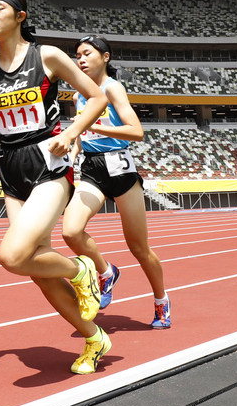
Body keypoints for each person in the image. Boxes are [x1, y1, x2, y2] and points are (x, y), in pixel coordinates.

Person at [0, 0, 111, 375]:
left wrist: (71, 134)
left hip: (48, 161)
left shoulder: (48, 56)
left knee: (12, 256)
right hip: (10, 168)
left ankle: (80, 270)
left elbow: (96, 98)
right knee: (37, 271)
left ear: (20, 16)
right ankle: (94, 338)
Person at [61, 35, 170, 328]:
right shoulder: (77, 96)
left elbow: (136, 131)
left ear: (105, 57)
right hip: (93, 170)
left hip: (121, 169)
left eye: (87, 54)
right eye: (77, 55)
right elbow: (81, 138)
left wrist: (93, 123)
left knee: (138, 248)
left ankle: (161, 301)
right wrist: (72, 151)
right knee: (70, 232)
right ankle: (106, 271)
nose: (80, 59)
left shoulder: (113, 88)